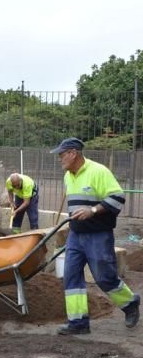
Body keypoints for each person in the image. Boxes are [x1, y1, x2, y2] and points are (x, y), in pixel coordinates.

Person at [50, 137, 140, 335]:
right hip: (76, 234)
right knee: (71, 276)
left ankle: (130, 303)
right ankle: (78, 323)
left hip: (98, 235)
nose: (59, 159)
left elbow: (118, 197)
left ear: (73, 153)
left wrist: (93, 210)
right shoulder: (68, 176)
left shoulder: (98, 171)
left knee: (104, 277)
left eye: (61, 155)